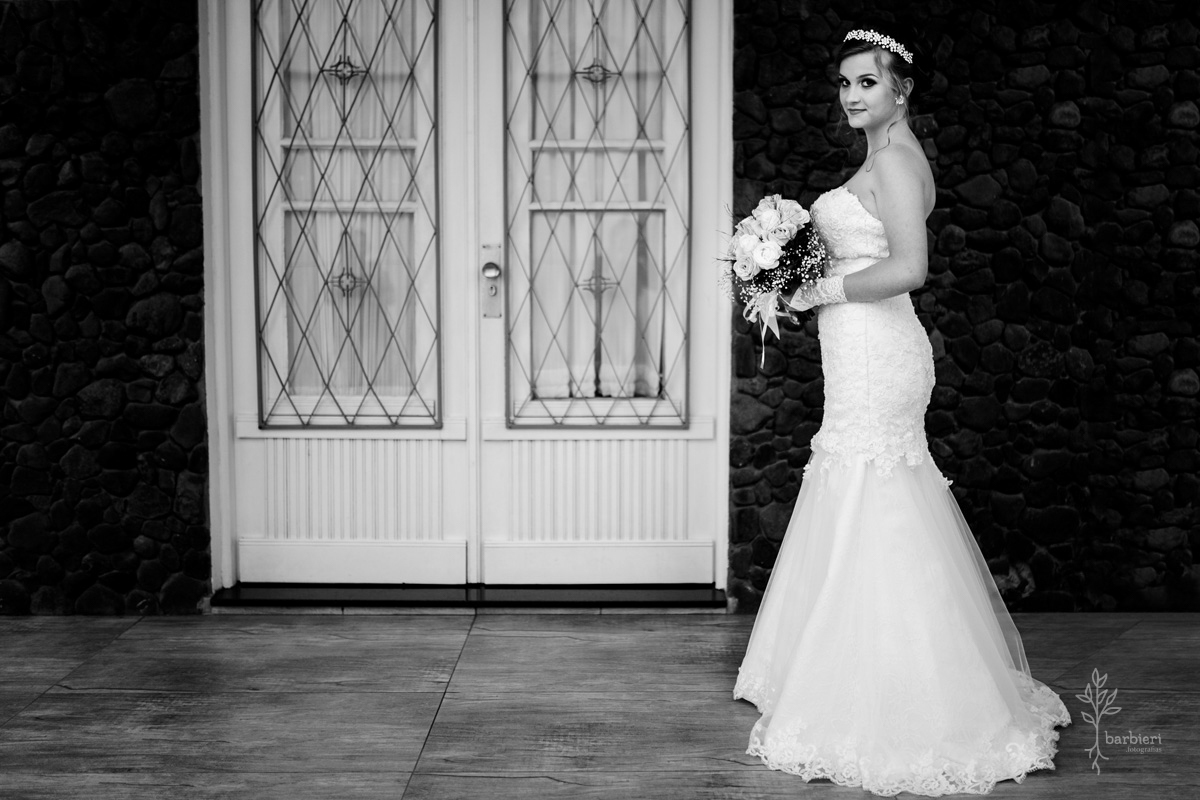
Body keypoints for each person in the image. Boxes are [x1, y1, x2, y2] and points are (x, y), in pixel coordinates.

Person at [733, 26, 1071, 796]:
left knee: (876, 494)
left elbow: (911, 268)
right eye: (845, 83)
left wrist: (819, 288)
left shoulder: (892, 160)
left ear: (901, 89)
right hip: (864, 350)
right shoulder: (888, 156)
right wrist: (778, 269)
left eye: (867, 82)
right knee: (862, 487)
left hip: (878, 352)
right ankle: (847, 661)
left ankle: (901, 687)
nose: (852, 95)